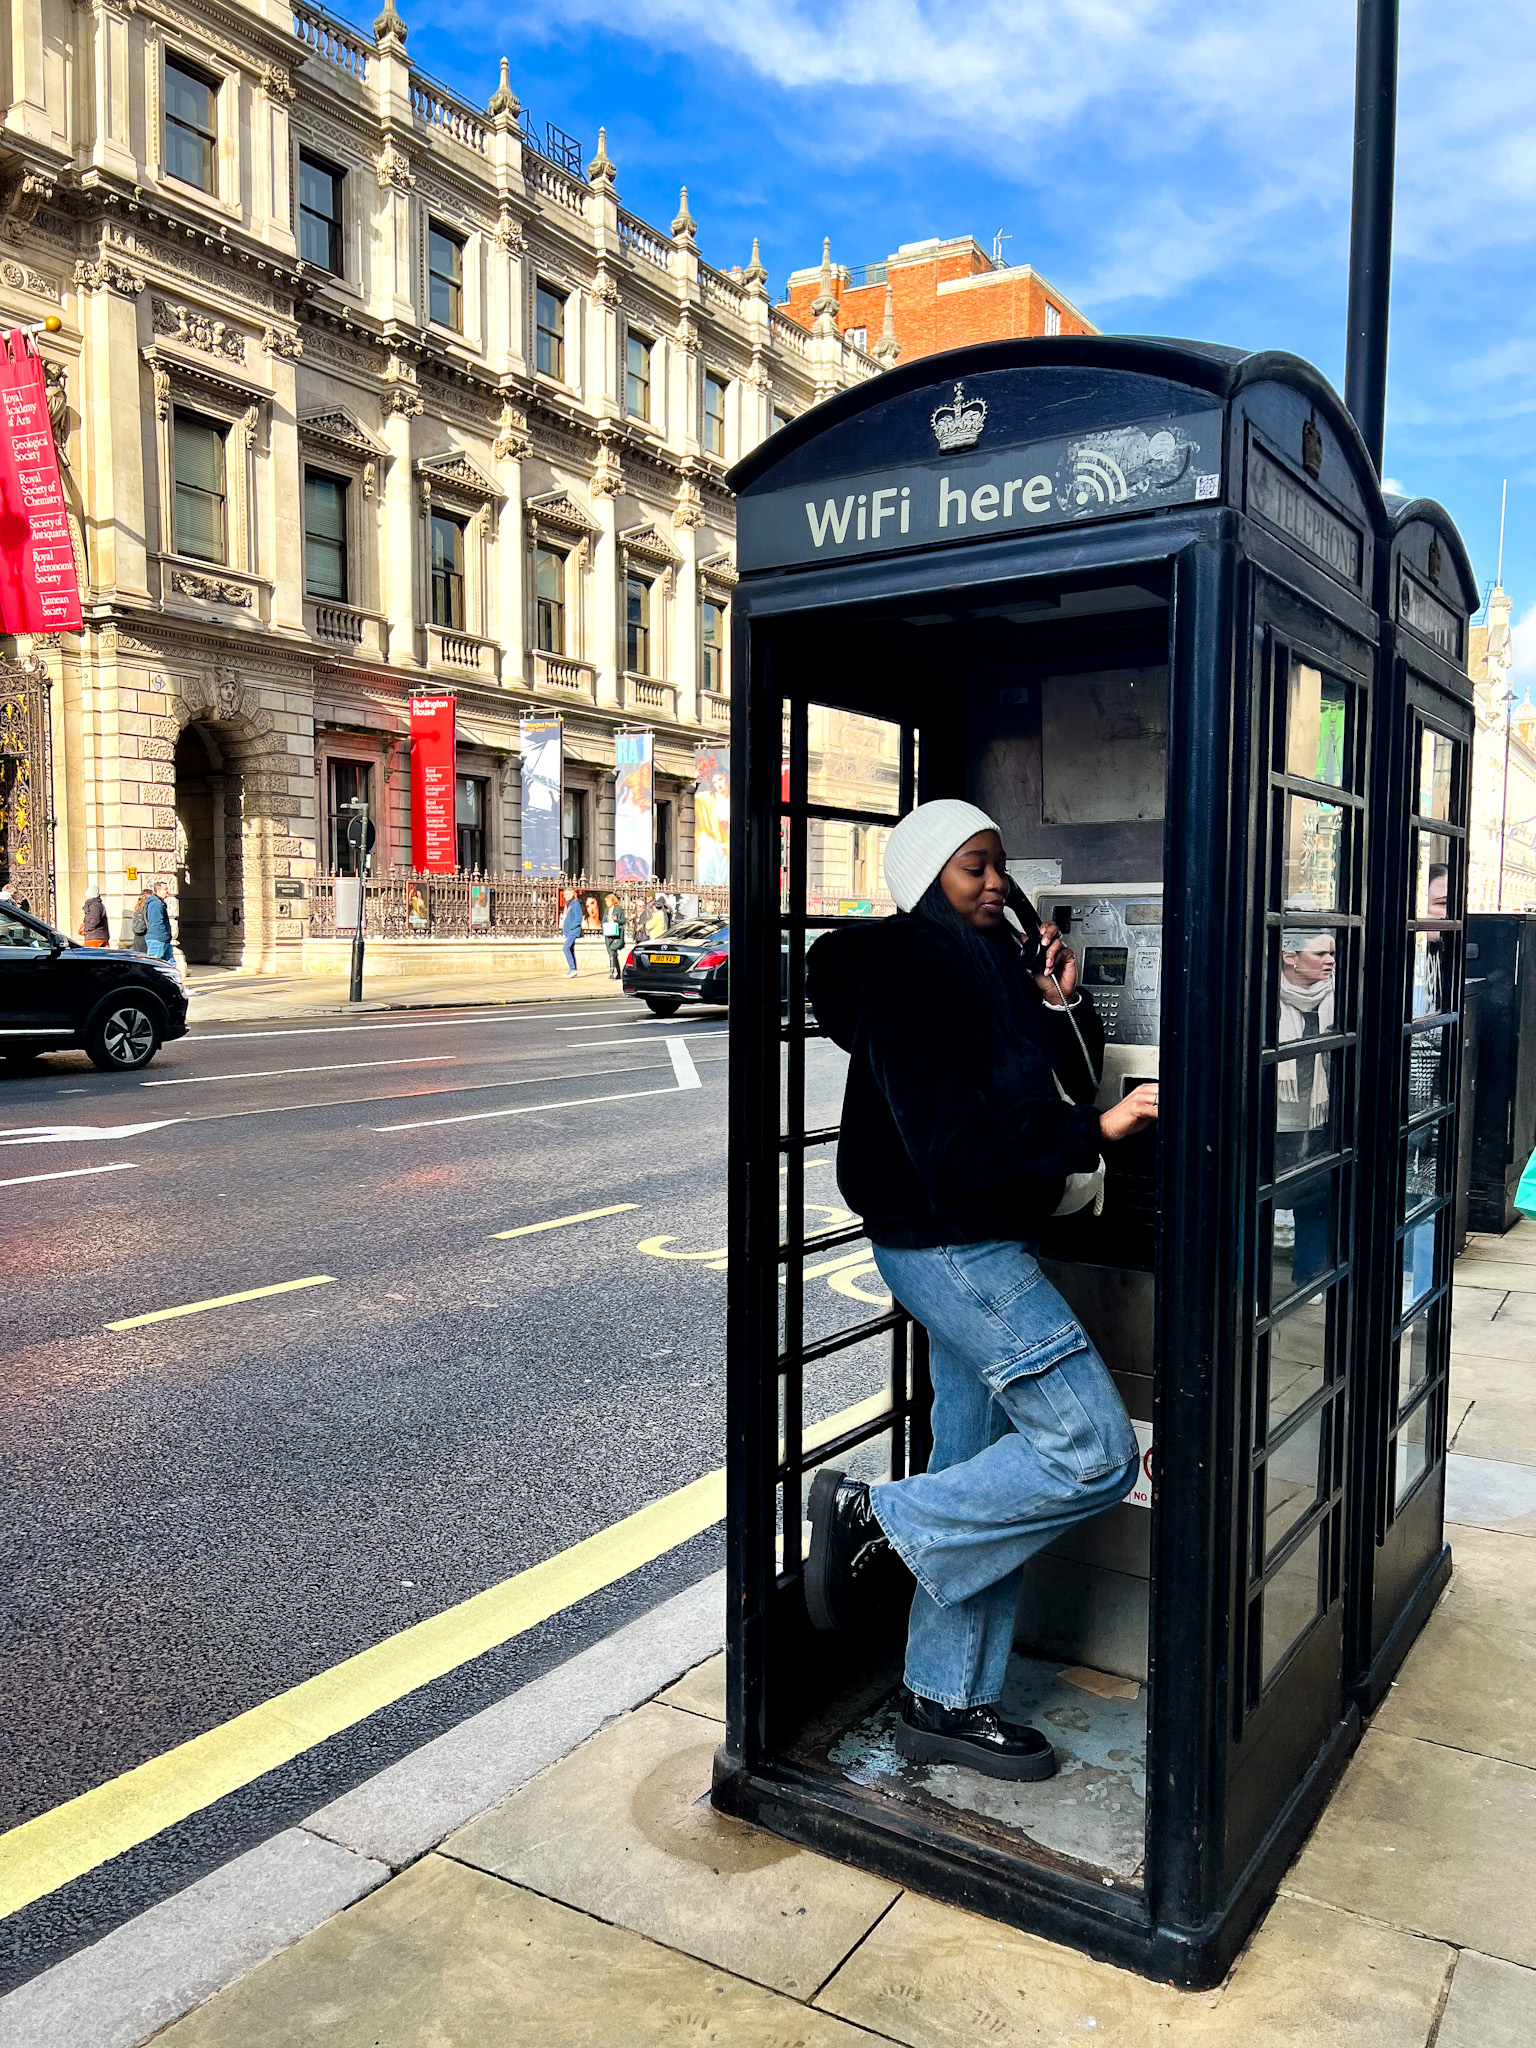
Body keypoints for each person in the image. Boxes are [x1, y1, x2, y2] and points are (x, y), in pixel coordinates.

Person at [803, 800, 1158, 1783]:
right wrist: (1095, 1131)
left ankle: (943, 1698)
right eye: (974, 866)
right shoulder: (916, 971)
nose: (997, 882)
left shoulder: (986, 963)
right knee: (1091, 1451)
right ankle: (876, 1520)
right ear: (927, 877)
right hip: (955, 1243)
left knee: (978, 1471)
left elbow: (1051, 1079)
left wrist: (1057, 1002)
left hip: (977, 1235)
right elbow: (953, 1146)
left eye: (1001, 864)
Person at [1275, 926, 1335, 1290]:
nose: (1330, 961)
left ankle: (1310, 1275)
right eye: (1320, 954)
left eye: (1332, 954)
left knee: (1315, 1196)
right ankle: (1251, 1281)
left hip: (1321, 1116)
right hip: (1272, 1117)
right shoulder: (1264, 997)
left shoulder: (1339, 997)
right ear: (1290, 957)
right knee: (1261, 1199)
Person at [145, 883, 175, 964]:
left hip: (162, 939)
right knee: (153, 964)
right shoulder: (156, 903)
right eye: (165, 889)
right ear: (159, 891)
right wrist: (164, 934)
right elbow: (157, 922)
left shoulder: (159, 903)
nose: (167, 891)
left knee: (170, 964)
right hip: (157, 939)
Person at [601, 892, 627, 980]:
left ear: (613, 901)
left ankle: (611, 972)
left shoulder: (619, 909)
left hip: (615, 933)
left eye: (609, 901)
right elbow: (604, 920)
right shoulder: (606, 910)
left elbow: (623, 921)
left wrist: (616, 919)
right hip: (608, 932)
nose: (607, 903)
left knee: (612, 951)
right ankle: (619, 972)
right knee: (612, 954)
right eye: (606, 902)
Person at [560, 889, 582, 978]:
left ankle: (572, 969)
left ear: (572, 894)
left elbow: (578, 918)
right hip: (569, 931)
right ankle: (573, 970)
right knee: (570, 949)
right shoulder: (569, 904)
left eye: (566, 894)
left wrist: (571, 927)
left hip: (573, 931)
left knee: (566, 948)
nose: (565, 896)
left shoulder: (575, 904)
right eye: (564, 894)